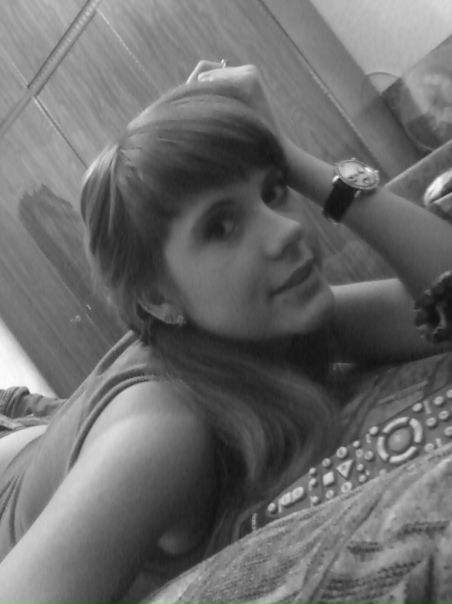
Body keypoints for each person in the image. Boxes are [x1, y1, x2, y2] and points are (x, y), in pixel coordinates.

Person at [0, 60, 451, 604]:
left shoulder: (275, 324)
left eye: (274, 190)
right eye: (221, 226)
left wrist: (285, 150)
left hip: (56, 426)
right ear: (157, 298)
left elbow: (443, 298)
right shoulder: (163, 433)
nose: (286, 230)